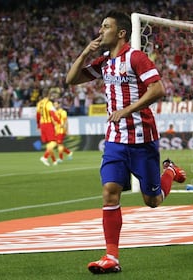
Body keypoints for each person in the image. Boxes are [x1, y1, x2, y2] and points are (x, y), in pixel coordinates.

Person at [66, 10, 186, 274]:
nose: (100, 30)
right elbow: (71, 79)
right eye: (100, 26)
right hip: (115, 140)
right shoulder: (104, 62)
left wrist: (128, 109)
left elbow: (158, 89)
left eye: (105, 26)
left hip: (143, 139)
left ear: (121, 32)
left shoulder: (136, 57)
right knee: (110, 190)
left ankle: (170, 171)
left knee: (152, 200)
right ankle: (111, 256)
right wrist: (86, 52)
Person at [36, 89, 60, 166]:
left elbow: (38, 116)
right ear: (48, 95)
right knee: (54, 142)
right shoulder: (49, 103)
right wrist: (58, 121)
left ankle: (54, 161)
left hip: (42, 124)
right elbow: (52, 113)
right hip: (48, 124)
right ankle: (45, 157)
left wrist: (38, 125)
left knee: (49, 144)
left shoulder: (39, 103)